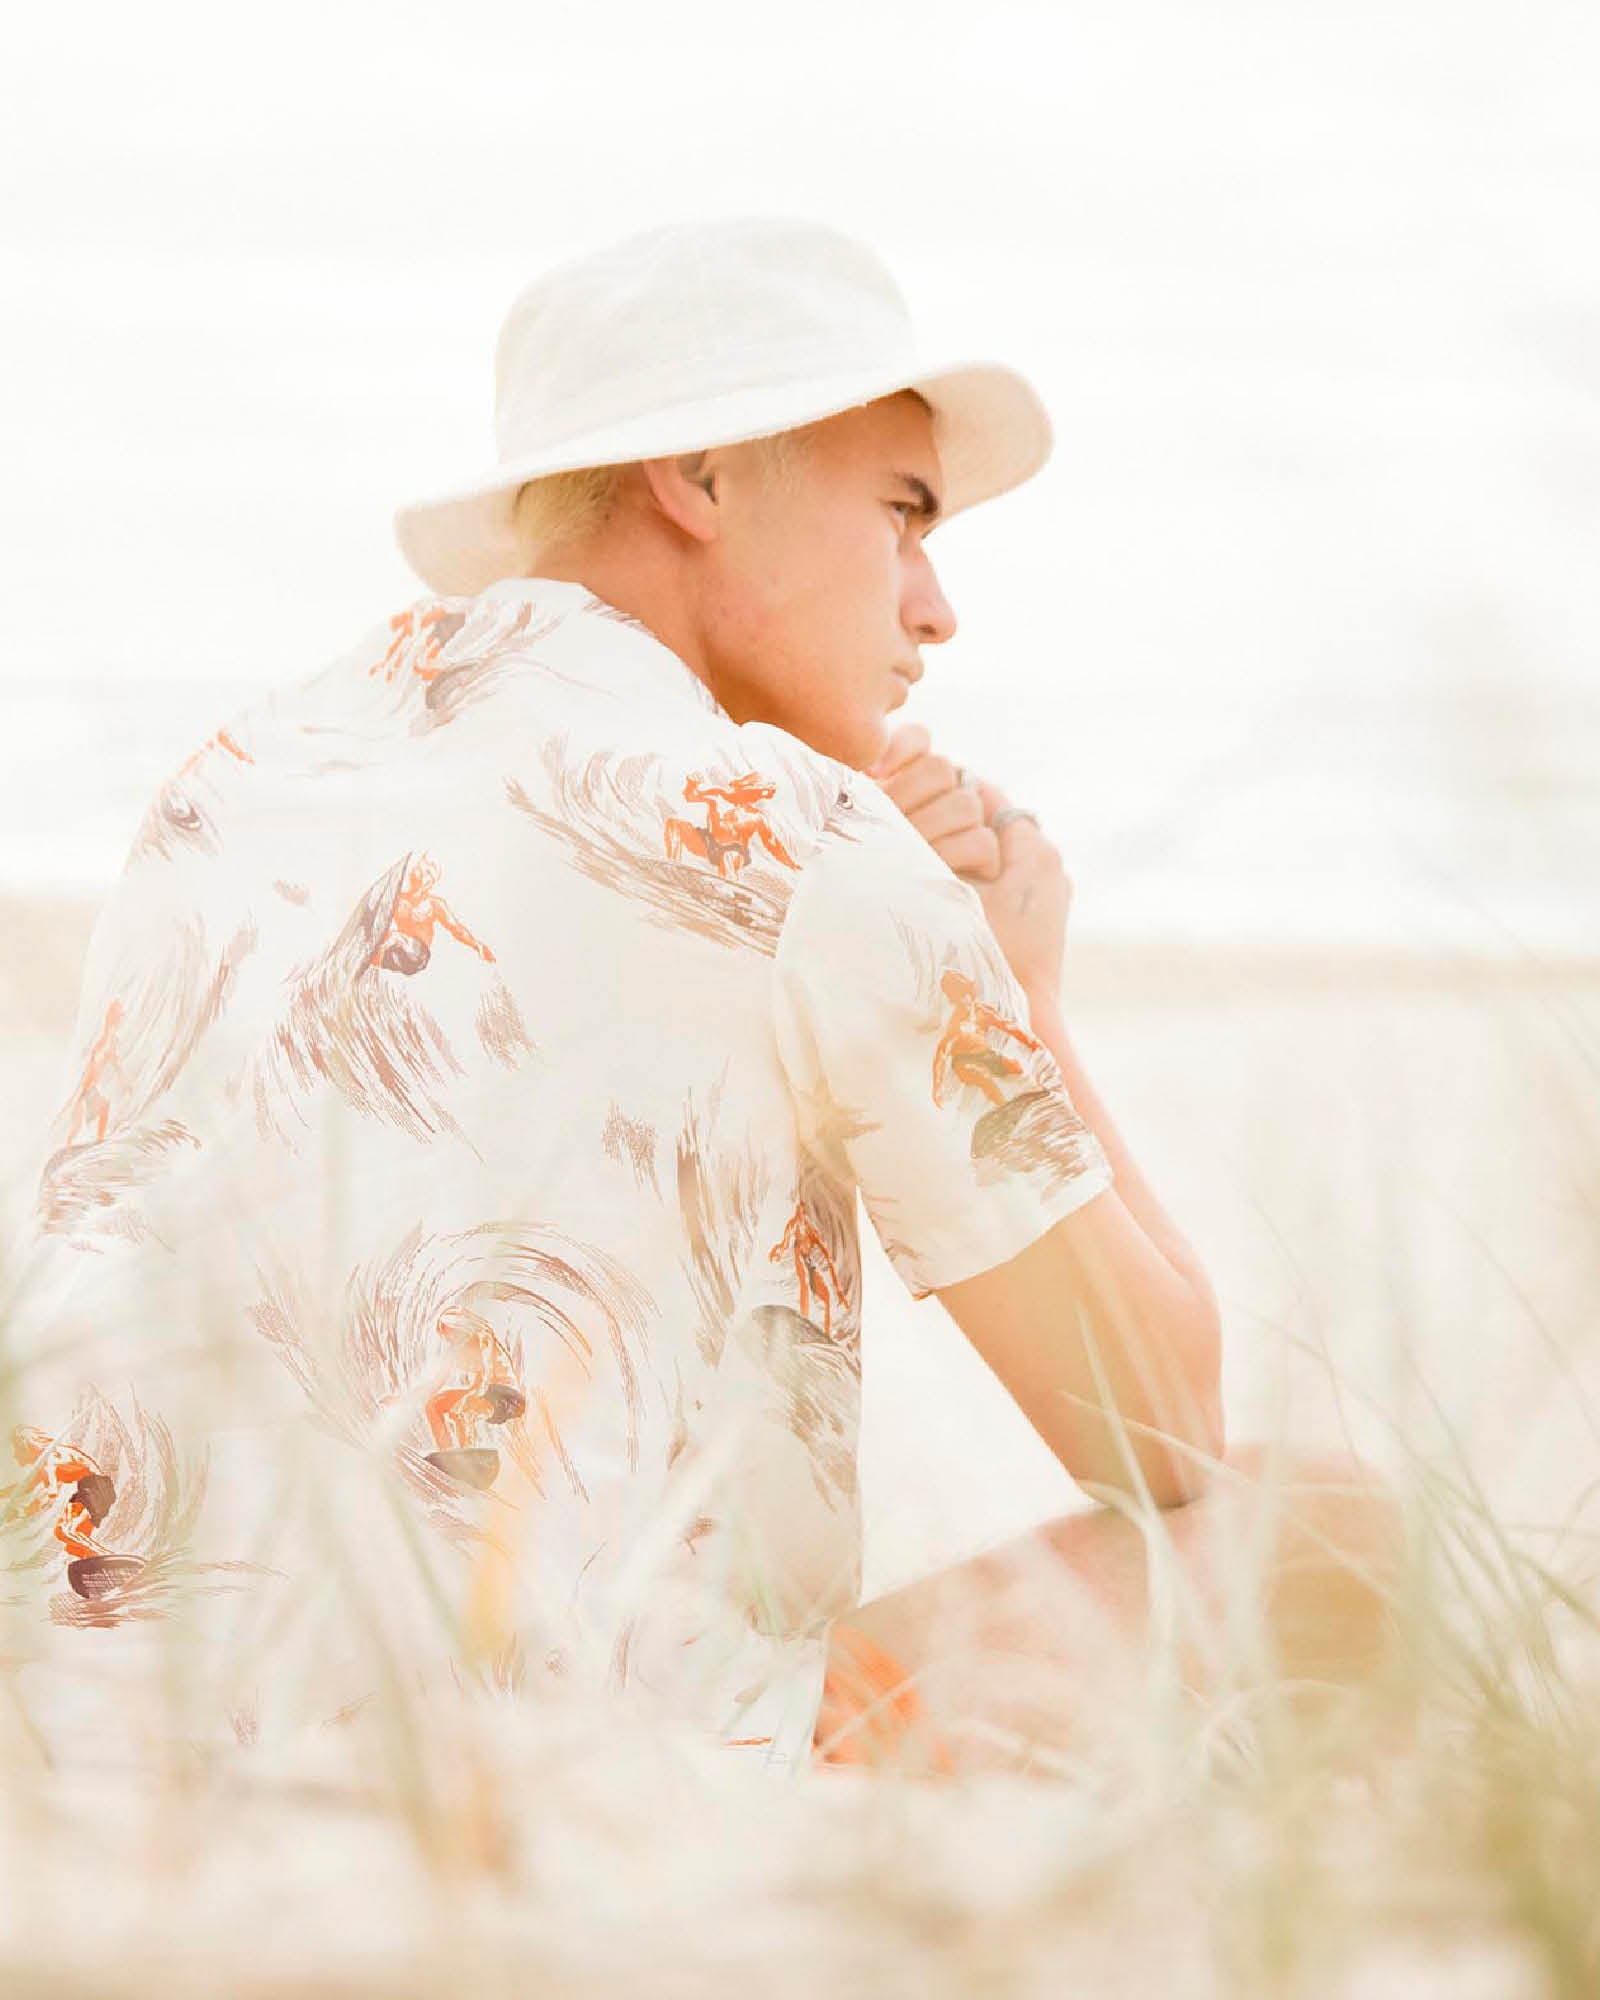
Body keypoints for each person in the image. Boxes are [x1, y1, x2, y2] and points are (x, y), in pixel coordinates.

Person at [2, 215, 1399, 1780]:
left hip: (76, 1729)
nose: (935, 607)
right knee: (1327, 1532)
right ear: (703, 478)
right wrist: (1022, 983)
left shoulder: (232, 784)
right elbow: (1160, 1423)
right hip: (556, 1767)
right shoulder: (792, 838)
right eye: (903, 512)